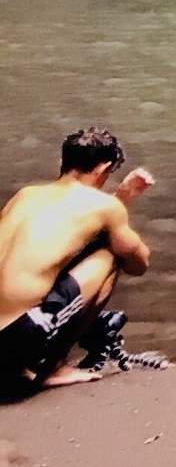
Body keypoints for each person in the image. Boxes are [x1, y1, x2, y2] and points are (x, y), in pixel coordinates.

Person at [0, 128, 155, 391]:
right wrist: (121, 204)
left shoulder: (25, 195)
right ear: (105, 167)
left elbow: (62, 242)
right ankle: (53, 367)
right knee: (109, 258)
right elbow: (138, 263)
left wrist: (118, 202)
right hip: (10, 342)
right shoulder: (104, 207)